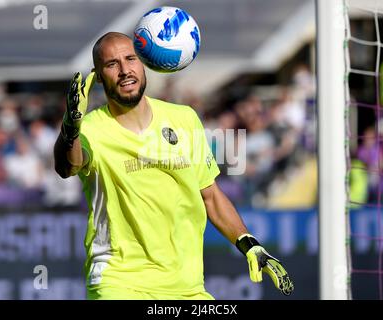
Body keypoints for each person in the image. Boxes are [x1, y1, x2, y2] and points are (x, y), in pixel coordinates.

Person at [53, 32, 293, 300]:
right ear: (98, 76)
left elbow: (210, 195)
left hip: (186, 288)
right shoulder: (90, 128)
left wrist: (249, 244)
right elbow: (67, 166)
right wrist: (71, 127)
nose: (124, 70)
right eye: (111, 64)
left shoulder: (184, 119)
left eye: (130, 59)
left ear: (144, 62)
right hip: (119, 282)